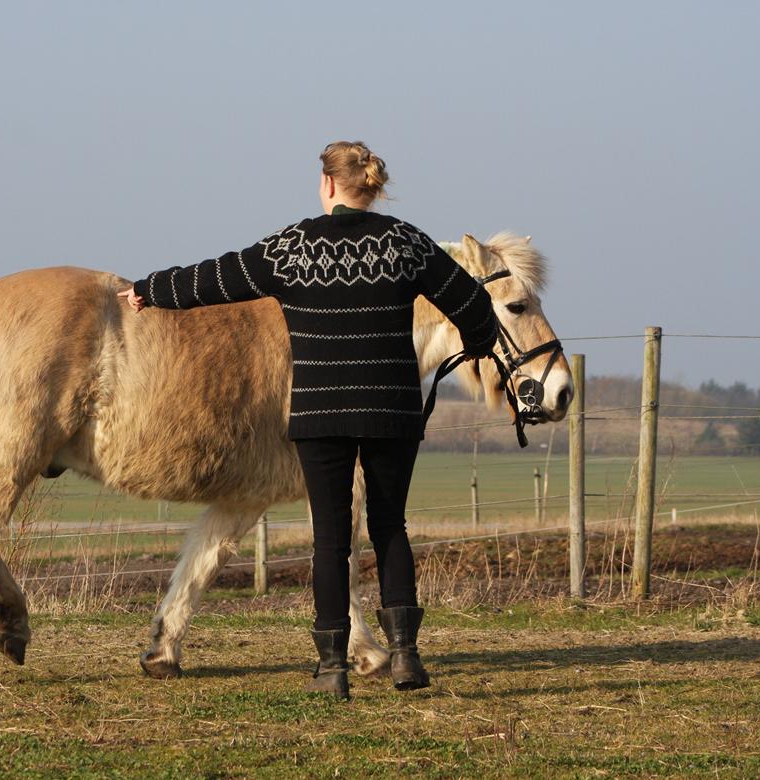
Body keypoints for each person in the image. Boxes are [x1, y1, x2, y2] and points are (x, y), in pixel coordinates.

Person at [117, 141, 497, 700]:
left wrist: (149, 291)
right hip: (391, 411)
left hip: (319, 414)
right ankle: (407, 659)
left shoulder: (291, 248)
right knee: (392, 529)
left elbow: (216, 279)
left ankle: (332, 668)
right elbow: (474, 308)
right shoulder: (407, 243)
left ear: (327, 184)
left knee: (330, 539)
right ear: (373, 188)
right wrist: (479, 342)